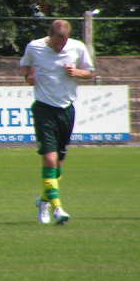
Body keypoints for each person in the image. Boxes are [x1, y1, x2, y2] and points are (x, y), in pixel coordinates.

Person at [20, 19, 95, 225]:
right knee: (50, 160)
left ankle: (43, 198)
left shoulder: (77, 47)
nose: (59, 47)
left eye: (62, 44)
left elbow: (90, 72)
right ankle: (56, 208)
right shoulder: (34, 47)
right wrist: (29, 77)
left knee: (59, 164)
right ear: (48, 35)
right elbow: (25, 67)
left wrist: (77, 72)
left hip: (67, 110)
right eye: (55, 43)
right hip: (44, 108)